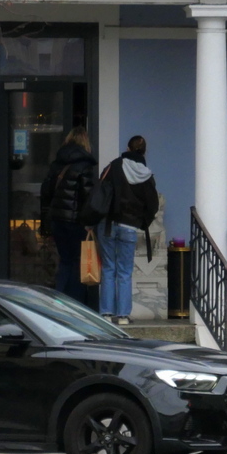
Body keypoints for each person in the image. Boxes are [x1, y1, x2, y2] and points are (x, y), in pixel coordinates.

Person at [97, 135, 160, 326]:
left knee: (108, 268)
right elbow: (153, 204)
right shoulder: (146, 174)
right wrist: (142, 222)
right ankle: (123, 316)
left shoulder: (114, 166)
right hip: (129, 226)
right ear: (144, 151)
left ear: (127, 147)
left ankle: (106, 314)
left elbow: (99, 191)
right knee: (125, 272)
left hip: (108, 224)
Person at [38, 127, 98, 305]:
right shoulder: (85, 166)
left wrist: (45, 223)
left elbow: (45, 194)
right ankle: (75, 304)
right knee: (78, 262)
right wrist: (90, 222)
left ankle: (59, 300)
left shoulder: (57, 165)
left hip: (58, 221)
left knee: (65, 260)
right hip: (76, 222)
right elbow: (88, 198)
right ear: (85, 143)